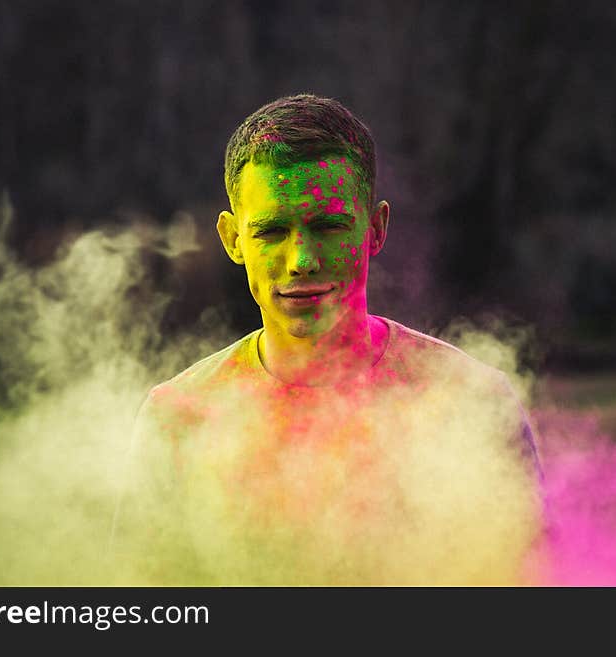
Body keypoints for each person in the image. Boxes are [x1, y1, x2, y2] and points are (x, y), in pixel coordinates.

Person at [113, 94, 544, 585]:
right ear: (233, 239)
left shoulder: (471, 403)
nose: (302, 260)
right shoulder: (180, 418)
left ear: (375, 229)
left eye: (328, 225)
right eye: (272, 231)